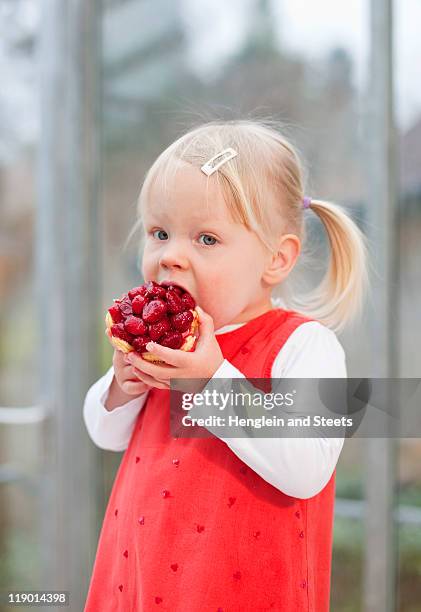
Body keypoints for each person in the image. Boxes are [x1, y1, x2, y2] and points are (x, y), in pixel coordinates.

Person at [83, 120, 368, 611]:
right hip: (139, 582)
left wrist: (210, 382)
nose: (170, 255)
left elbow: (305, 470)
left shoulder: (306, 344)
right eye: (159, 232)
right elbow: (104, 433)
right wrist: (121, 387)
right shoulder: (166, 344)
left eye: (206, 239)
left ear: (275, 260)